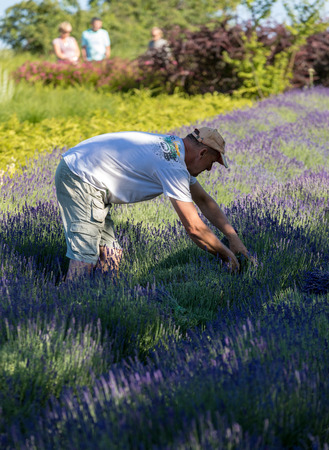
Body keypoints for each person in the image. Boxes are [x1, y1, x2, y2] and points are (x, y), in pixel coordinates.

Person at [55, 127, 249, 280]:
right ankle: (67, 311)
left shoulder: (175, 150)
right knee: (85, 258)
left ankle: (100, 302)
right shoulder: (172, 165)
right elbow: (194, 228)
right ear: (202, 153)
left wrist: (233, 238)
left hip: (89, 174)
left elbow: (205, 201)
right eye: (212, 162)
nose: (209, 169)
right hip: (79, 174)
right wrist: (228, 257)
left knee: (112, 254)